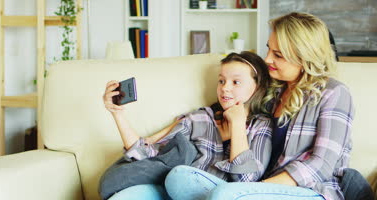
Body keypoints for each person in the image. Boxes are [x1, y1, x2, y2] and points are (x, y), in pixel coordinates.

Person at [164, 12, 356, 200]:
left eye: (278, 55)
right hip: (256, 187)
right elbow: (219, 113)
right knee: (179, 179)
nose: (267, 60)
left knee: (224, 195)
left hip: (310, 191)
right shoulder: (272, 91)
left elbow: (321, 165)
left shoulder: (334, 93)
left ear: (304, 57)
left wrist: (256, 190)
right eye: (268, 50)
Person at [100, 51, 273, 200]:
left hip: (215, 193)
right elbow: (145, 153)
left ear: (257, 87)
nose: (225, 88)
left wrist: (237, 124)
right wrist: (117, 113)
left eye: (236, 82)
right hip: (175, 190)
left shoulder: (261, 126)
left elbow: (246, 181)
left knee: (180, 176)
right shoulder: (199, 118)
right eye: (221, 81)